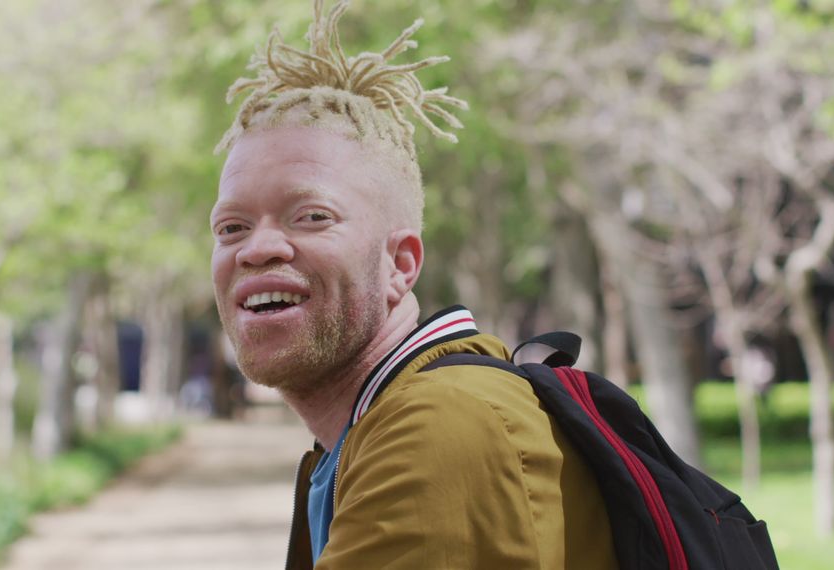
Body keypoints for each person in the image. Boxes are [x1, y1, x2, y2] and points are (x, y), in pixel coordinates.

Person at [209, 1, 616, 568]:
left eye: (312, 217)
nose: (257, 248)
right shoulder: (375, 428)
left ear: (400, 264)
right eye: (232, 228)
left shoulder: (440, 427)